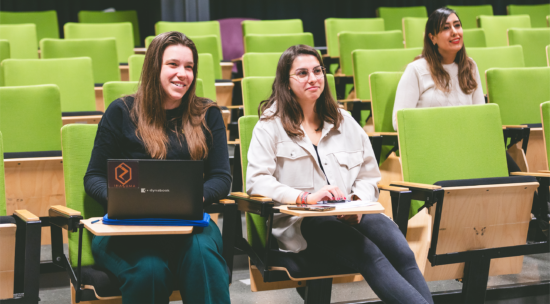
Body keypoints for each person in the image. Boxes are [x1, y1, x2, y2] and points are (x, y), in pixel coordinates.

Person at [246, 44, 434, 304]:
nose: (313, 78)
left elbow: (368, 175)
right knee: (367, 253)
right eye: (302, 73)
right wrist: (305, 198)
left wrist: (357, 202)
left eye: (317, 70)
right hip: (304, 221)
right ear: (286, 83)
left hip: (349, 213)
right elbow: (257, 182)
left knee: (401, 250)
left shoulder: (343, 121)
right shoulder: (269, 126)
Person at [84, 31, 231, 304]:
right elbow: (93, 177)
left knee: (205, 261)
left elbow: (221, 178)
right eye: (173, 65)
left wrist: (194, 197)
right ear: (154, 68)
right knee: (148, 271)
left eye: (189, 67)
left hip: (190, 227)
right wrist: (123, 199)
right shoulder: (121, 112)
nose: (182, 74)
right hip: (128, 229)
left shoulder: (207, 114)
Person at [392, 7, 484, 131]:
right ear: (432, 38)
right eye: (446, 28)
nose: (454, 32)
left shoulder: (470, 66)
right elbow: (398, 121)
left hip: (465, 140)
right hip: (430, 142)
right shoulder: (416, 70)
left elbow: (481, 115)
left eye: (457, 26)